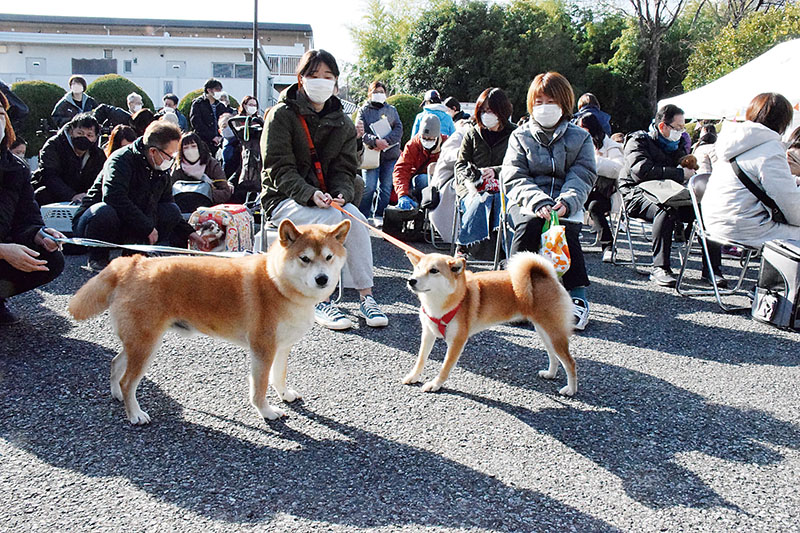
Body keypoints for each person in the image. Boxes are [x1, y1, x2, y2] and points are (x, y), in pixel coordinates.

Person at [261, 48, 388, 330]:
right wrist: (309, 194)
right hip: (283, 198)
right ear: (301, 78)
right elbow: (278, 168)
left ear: (336, 82)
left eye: (328, 76)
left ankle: (366, 296)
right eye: (314, 74)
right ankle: (320, 300)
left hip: (327, 199)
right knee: (330, 219)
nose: (321, 81)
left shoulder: (343, 122)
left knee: (356, 218)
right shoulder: (280, 115)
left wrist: (342, 193)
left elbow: (346, 169)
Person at [501, 72, 596, 331]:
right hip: (527, 201)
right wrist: (537, 201)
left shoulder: (581, 137)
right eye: (539, 101)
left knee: (566, 230)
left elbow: (583, 174)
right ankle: (516, 293)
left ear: (564, 103)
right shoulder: (520, 136)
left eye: (551, 101)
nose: (544, 107)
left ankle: (577, 296)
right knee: (528, 227)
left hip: (566, 202)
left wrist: (567, 201)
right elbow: (514, 175)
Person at [73, 121, 203, 271]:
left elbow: (167, 201)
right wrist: (147, 227)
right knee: (104, 211)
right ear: (153, 151)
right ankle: (98, 257)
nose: (172, 160)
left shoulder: (160, 169)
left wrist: (190, 233)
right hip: (96, 221)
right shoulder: (120, 160)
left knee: (170, 210)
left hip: (132, 222)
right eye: (170, 155)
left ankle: (136, 253)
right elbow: (114, 197)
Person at [619, 104, 724, 287]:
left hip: (671, 193)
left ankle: (712, 269)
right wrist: (680, 173)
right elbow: (641, 171)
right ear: (663, 126)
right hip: (636, 193)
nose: (682, 132)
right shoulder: (638, 141)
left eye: (683, 127)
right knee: (665, 210)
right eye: (678, 127)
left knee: (706, 211)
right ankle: (660, 268)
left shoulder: (678, 144)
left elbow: (684, 166)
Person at [701, 92, 800, 246]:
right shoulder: (771, 150)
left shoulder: (734, 140)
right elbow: (790, 206)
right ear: (784, 122)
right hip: (743, 228)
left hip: (712, 221)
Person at [0, 92, 65, 324]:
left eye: (0, 114)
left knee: (50, 258)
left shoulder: (15, 167)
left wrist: (39, 234)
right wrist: (2, 251)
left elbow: (27, 216)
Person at [453, 87, 516, 257]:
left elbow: (519, 165)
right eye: (483, 110)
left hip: (504, 187)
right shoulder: (472, 133)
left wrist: (495, 171)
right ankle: (463, 245)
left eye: (490, 110)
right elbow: (460, 164)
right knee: (481, 199)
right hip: (472, 187)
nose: (486, 114)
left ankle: (510, 254)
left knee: (503, 204)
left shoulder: (515, 134)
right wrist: (474, 176)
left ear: (501, 111)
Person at [30, 113, 106, 206]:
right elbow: (49, 175)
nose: (84, 138)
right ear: (71, 131)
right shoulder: (53, 146)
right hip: (55, 195)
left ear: (95, 138)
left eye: (89, 135)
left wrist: (90, 196)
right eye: (80, 133)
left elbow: (101, 179)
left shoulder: (98, 154)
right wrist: (72, 196)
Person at [578, 113, 624, 262]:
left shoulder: (611, 145)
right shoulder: (576, 142)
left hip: (604, 192)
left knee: (594, 207)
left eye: (582, 127)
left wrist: (593, 161)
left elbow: (619, 168)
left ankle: (609, 247)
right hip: (582, 188)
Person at [355, 81, 403, 225]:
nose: (379, 94)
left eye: (381, 92)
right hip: (371, 155)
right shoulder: (363, 110)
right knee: (369, 187)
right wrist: (375, 141)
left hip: (390, 155)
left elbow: (398, 128)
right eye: (376, 92)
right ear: (369, 94)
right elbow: (360, 132)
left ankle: (379, 214)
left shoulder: (392, 110)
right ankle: (363, 216)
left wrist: (386, 141)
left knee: (386, 187)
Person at [393, 114, 447, 211]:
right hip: (420, 182)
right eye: (424, 138)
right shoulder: (413, 145)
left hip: (441, 182)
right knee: (423, 179)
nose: (426, 141)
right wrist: (402, 194)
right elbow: (401, 169)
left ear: (437, 136)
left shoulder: (447, 144)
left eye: (430, 139)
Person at [170, 132, 232, 213]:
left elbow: (225, 192)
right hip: (183, 210)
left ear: (199, 147)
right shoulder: (178, 166)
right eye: (186, 148)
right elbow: (169, 191)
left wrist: (206, 193)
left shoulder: (211, 164)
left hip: (209, 210)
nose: (190, 150)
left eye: (193, 146)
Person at [228, 96, 264, 203]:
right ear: (244, 105)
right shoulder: (237, 120)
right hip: (241, 149)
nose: (253, 107)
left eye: (255, 105)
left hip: (256, 150)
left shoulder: (259, 120)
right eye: (250, 104)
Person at [190, 78, 231, 149]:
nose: (219, 92)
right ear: (209, 90)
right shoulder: (198, 103)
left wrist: (220, 136)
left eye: (220, 90)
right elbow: (196, 122)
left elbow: (225, 121)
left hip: (220, 141)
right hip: (204, 141)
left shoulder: (220, 105)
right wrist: (212, 136)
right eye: (217, 89)